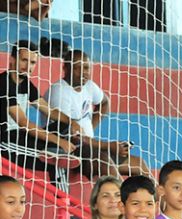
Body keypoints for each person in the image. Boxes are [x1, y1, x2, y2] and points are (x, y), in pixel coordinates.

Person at [45, 49, 151, 180]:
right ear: (65, 68)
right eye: (77, 68)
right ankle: (123, 198)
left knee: (139, 164)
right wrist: (110, 146)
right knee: (105, 161)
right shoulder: (59, 92)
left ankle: (160, 200)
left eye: (86, 68)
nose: (83, 73)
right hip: (69, 150)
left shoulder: (89, 86)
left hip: (89, 146)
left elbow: (105, 102)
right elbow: (73, 138)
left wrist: (90, 127)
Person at [0, 41, 79, 188]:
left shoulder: (27, 85)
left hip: (21, 137)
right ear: (12, 60)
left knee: (62, 128)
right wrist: (58, 141)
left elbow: (50, 112)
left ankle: (69, 152)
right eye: (24, 60)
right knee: (55, 158)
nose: (28, 67)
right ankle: (65, 206)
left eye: (32, 62)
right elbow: (23, 122)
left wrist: (72, 122)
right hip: (5, 143)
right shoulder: (3, 84)